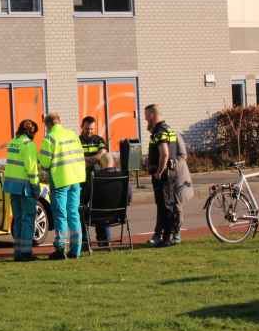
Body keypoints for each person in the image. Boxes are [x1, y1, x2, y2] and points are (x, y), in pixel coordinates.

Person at [143, 104, 193, 248]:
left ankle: (168, 237)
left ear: (152, 115)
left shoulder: (159, 132)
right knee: (169, 205)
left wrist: (158, 171)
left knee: (165, 206)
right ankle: (170, 235)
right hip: (171, 175)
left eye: (146, 116)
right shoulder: (169, 129)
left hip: (163, 176)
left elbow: (164, 153)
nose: (146, 119)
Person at [38, 113, 86, 260]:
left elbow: (45, 163)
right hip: (76, 179)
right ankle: (76, 250)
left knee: (60, 214)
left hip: (60, 180)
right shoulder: (72, 135)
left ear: (47, 126)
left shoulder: (50, 139)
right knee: (73, 214)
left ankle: (60, 249)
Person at [3, 119, 41, 262]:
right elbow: (31, 169)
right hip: (25, 188)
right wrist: (36, 187)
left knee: (18, 220)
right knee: (28, 219)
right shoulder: (29, 145)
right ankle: (26, 252)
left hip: (12, 187)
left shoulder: (13, 142)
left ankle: (18, 253)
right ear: (31, 131)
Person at [79, 152, 132, 247]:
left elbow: (83, 200)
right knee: (100, 212)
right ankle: (105, 239)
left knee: (80, 210)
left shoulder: (95, 177)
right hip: (118, 214)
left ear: (101, 165)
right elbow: (129, 199)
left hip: (96, 215)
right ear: (114, 164)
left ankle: (86, 241)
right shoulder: (123, 176)